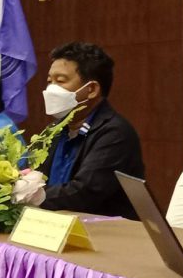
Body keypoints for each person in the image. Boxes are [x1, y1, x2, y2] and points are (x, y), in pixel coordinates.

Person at [37, 42, 144, 219]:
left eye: (60, 81)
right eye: (49, 81)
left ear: (91, 89)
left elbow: (84, 193)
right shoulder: (53, 130)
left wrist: (34, 196)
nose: (51, 89)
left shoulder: (115, 133)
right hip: (52, 225)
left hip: (102, 231)